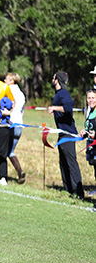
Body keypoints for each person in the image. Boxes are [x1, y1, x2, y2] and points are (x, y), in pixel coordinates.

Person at [48, 71, 84, 199]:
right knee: (63, 162)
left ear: (57, 80)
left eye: (53, 78)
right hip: (62, 133)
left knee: (70, 162)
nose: (52, 79)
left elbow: (68, 107)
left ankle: (78, 192)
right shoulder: (59, 93)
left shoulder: (63, 93)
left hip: (68, 134)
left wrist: (54, 108)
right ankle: (68, 190)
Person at [5, 72, 26, 183]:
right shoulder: (21, 94)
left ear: (12, 81)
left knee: (4, 150)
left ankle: (3, 175)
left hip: (10, 124)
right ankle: (19, 172)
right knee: (11, 151)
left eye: (7, 79)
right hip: (19, 124)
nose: (5, 80)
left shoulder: (8, 91)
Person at [79, 89, 96, 195]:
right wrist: (84, 132)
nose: (90, 100)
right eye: (89, 98)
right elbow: (91, 128)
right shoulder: (90, 112)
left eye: (93, 98)